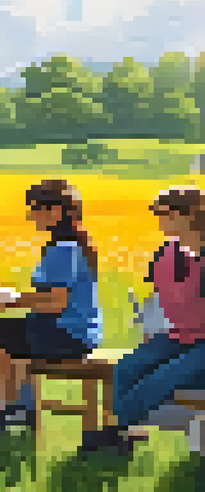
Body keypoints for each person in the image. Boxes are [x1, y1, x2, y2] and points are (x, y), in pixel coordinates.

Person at [0, 179, 103, 440]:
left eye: (34, 209)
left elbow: (56, 301)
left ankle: (6, 415)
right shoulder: (70, 244)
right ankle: (15, 410)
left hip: (67, 333)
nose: (31, 216)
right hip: (72, 330)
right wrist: (10, 299)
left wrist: (7, 301)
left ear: (55, 211)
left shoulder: (63, 248)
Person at [79, 185, 205, 457]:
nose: (159, 219)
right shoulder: (167, 253)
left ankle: (113, 432)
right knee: (124, 369)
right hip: (179, 336)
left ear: (189, 215)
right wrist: (151, 331)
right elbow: (158, 298)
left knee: (159, 380)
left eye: (164, 213)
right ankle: (123, 434)